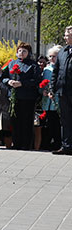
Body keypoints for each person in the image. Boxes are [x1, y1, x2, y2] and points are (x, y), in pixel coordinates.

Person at [2, 42, 40, 150]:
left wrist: (22, 83)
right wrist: (9, 81)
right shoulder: (11, 63)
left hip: (28, 97)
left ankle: (26, 144)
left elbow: (36, 80)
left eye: (24, 51)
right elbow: (3, 77)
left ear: (28, 53)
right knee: (15, 121)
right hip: (14, 97)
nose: (21, 53)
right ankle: (16, 142)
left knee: (26, 121)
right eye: (19, 51)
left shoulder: (33, 65)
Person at [51, 25, 72, 155]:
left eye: (67, 35)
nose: (65, 38)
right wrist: (52, 88)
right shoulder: (63, 52)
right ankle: (67, 146)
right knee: (65, 120)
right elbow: (56, 71)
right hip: (63, 91)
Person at [41, 45, 62, 151]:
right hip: (47, 101)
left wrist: (55, 92)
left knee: (57, 123)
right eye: (50, 56)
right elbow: (42, 84)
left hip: (57, 100)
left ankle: (58, 142)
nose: (52, 58)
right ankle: (48, 143)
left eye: (54, 56)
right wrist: (43, 91)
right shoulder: (46, 70)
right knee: (49, 123)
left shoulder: (61, 68)